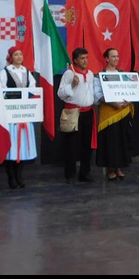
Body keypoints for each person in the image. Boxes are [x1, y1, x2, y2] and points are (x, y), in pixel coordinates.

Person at [0, 46, 38, 189]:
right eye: (16, 54)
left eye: (21, 54)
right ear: (11, 57)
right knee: (12, 146)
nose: (19, 57)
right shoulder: (5, 72)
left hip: (24, 113)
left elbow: (33, 88)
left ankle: (19, 177)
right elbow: (0, 90)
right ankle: (11, 177)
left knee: (22, 148)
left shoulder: (26, 72)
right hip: (11, 115)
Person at [93, 47, 135, 181]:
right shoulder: (100, 75)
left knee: (122, 140)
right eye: (113, 56)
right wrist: (112, 103)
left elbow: (130, 90)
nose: (116, 59)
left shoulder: (123, 74)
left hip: (122, 112)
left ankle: (119, 167)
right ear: (106, 58)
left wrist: (129, 100)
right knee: (110, 141)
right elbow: (98, 94)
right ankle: (111, 168)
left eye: (117, 56)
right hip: (109, 113)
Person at [58, 47, 96, 183]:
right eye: (82, 58)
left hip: (88, 112)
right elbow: (61, 93)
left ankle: (85, 173)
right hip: (73, 112)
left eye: (86, 58)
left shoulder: (90, 74)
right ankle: (70, 175)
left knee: (87, 145)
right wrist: (72, 85)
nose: (85, 61)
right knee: (71, 145)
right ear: (75, 60)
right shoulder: (69, 74)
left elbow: (92, 91)